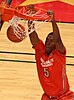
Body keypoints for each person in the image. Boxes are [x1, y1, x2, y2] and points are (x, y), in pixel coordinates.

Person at [27, 6, 74, 100]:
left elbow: (58, 40)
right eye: (47, 39)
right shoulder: (40, 52)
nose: (48, 41)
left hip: (64, 97)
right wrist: (30, 17)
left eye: (51, 40)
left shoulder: (59, 53)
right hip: (48, 97)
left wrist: (53, 20)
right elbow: (32, 34)